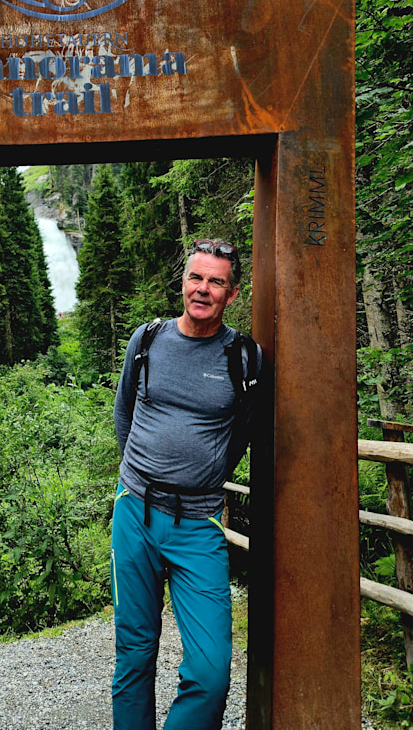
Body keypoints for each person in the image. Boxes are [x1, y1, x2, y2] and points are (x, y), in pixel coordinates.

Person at [111, 238, 264, 730]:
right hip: (134, 511)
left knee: (211, 668)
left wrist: (200, 477)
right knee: (134, 652)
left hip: (199, 524)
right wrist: (144, 476)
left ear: (232, 293)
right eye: (196, 278)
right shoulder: (149, 340)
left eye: (216, 281)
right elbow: (125, 415)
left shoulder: (244, 357)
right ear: (183, 282)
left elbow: (243, 434)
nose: (203, 289)